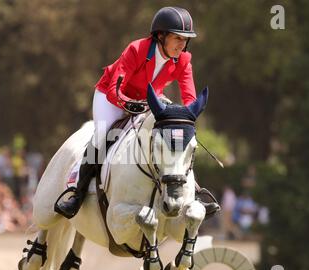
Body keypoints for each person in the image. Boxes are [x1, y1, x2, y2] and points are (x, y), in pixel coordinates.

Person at [56, 7, 218, 219]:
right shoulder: (137, 49)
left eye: (185, 39)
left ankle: (194, 192)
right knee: (104, 135)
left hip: (147, 100)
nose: (182, 44)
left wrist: (185, 118)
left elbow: (189, 97)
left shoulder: (184, 60)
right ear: (161, 36)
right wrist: (136, 105)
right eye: (177, 38)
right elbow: (116, 89)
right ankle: (77, 193)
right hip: (111, 97)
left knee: (171, 138)